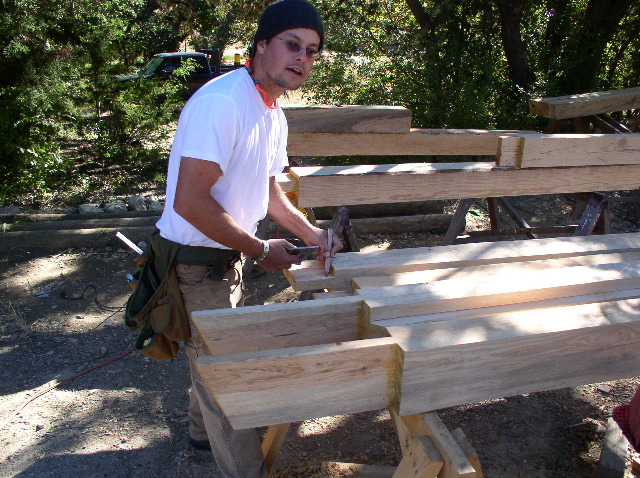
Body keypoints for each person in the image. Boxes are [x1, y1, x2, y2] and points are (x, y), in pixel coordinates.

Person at [154, 0, 341, 476]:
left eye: (312, 51)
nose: (302, 58)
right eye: (291, 44)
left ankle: (199, 433)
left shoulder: (271, 112)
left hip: (224, 259)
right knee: (230, 382)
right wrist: (259, 249)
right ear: (261, 46)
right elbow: (189, 201)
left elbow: (268, 190)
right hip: (195, 264)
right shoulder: (223, 103)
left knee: (215, 357)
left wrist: (313, 234)